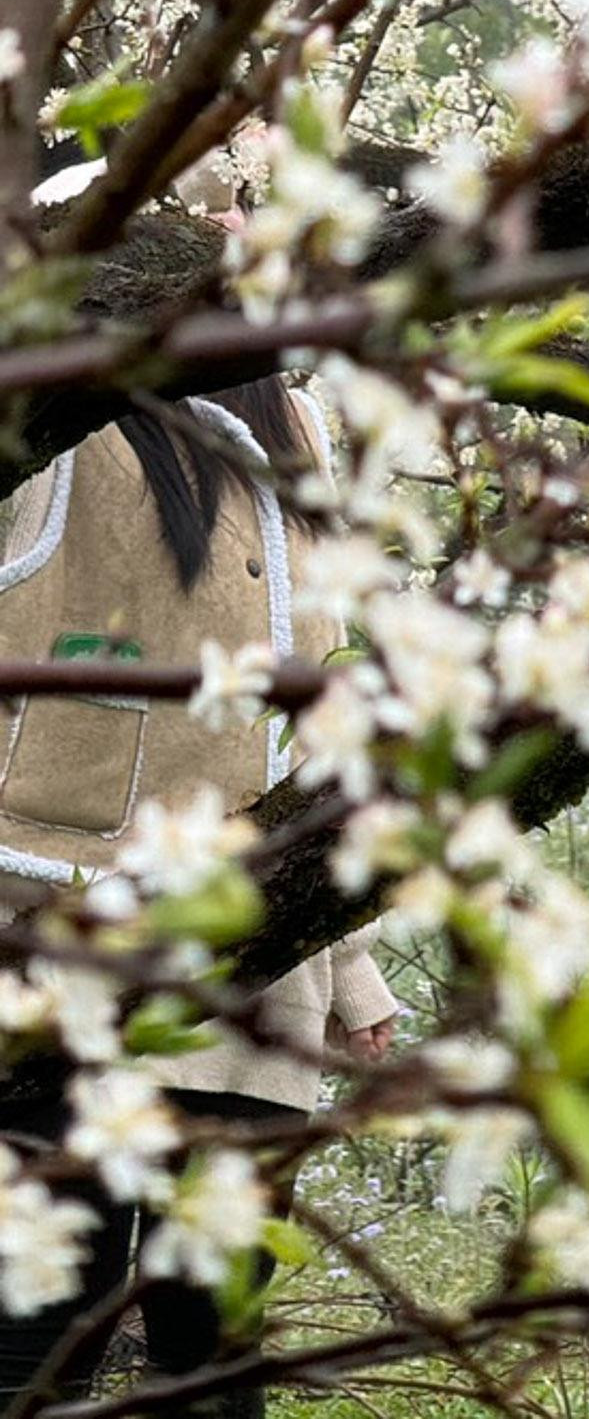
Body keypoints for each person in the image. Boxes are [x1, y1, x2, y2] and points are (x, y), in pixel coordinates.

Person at [0, 154, 398, 1417]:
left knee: (214, 1350)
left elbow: (323, 726)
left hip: (254, 963)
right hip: (56, 946)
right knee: (34, 1331)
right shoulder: (49, 433)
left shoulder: (297, 435)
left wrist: (355, 967)